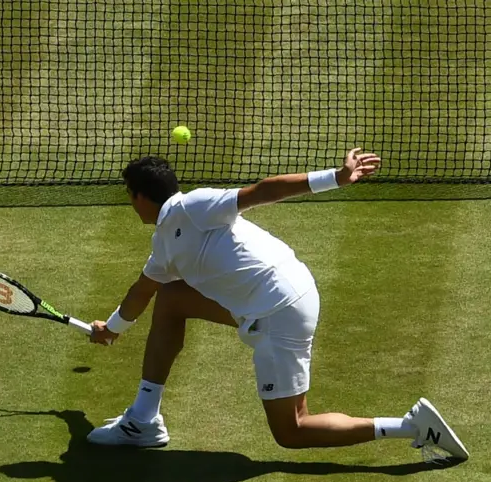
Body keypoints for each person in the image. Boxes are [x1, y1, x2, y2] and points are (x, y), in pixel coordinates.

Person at [87, 150, 468, 462]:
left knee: (292, 431)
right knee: (171, 299)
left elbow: (261, 191)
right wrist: (112, 330)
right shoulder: (165, 245)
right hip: (285, 291)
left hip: (279, 312)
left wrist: (334, 177)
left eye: (130, 197)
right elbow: (144, 291)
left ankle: (412, 426)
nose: (131, 205)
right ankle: (143, 419)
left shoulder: (193, 205)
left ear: (140, 196)